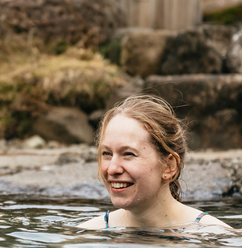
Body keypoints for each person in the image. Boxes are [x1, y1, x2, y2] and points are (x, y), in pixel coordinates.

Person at [79, 94, 231, 230]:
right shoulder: (87, 236)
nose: (112, 169)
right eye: (107, 153)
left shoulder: (213, 236)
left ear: (169, 166)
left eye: (128, 154)